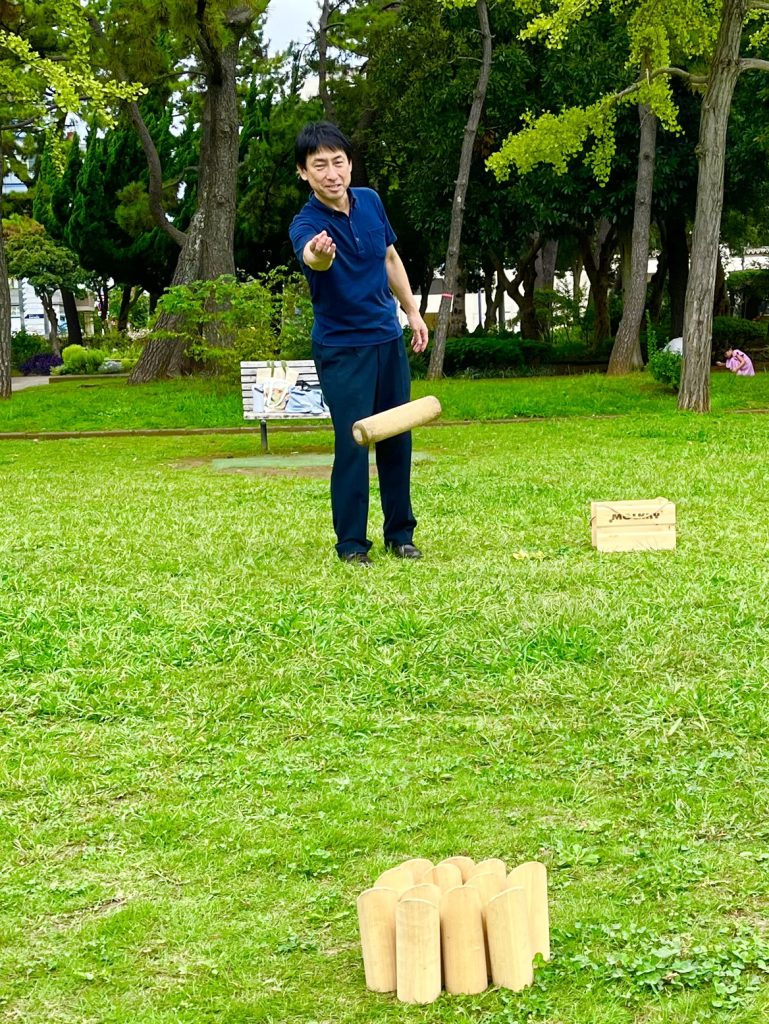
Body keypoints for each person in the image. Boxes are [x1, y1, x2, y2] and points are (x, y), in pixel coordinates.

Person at [289, 122, 430, 567]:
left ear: (349, 164)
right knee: (354, 443)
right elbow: (313, 256)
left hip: (387, 340)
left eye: (338, 162)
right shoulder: (307, 224)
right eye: (319, 166)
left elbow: (389, 257)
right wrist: (321, 254)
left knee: (397, 440)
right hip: (342, 350)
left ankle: (400, 534)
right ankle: (351, 545)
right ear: (304, 173)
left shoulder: (369, 201)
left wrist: (411, 311)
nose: (331, 173)